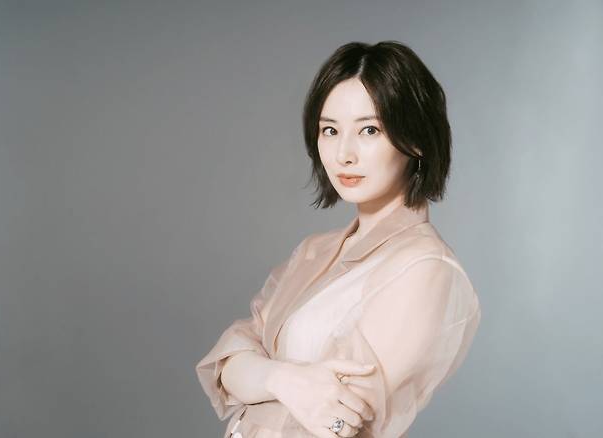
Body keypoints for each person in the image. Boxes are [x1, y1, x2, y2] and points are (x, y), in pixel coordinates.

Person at [196, 40, 481, 438]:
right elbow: (227, 362)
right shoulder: (315, 251)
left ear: (415, 139)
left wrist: (261, 375)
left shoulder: (424, 268)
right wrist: (285, 380)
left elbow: (340, 417)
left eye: (369, 130)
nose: (343, 153)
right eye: (330, 130)